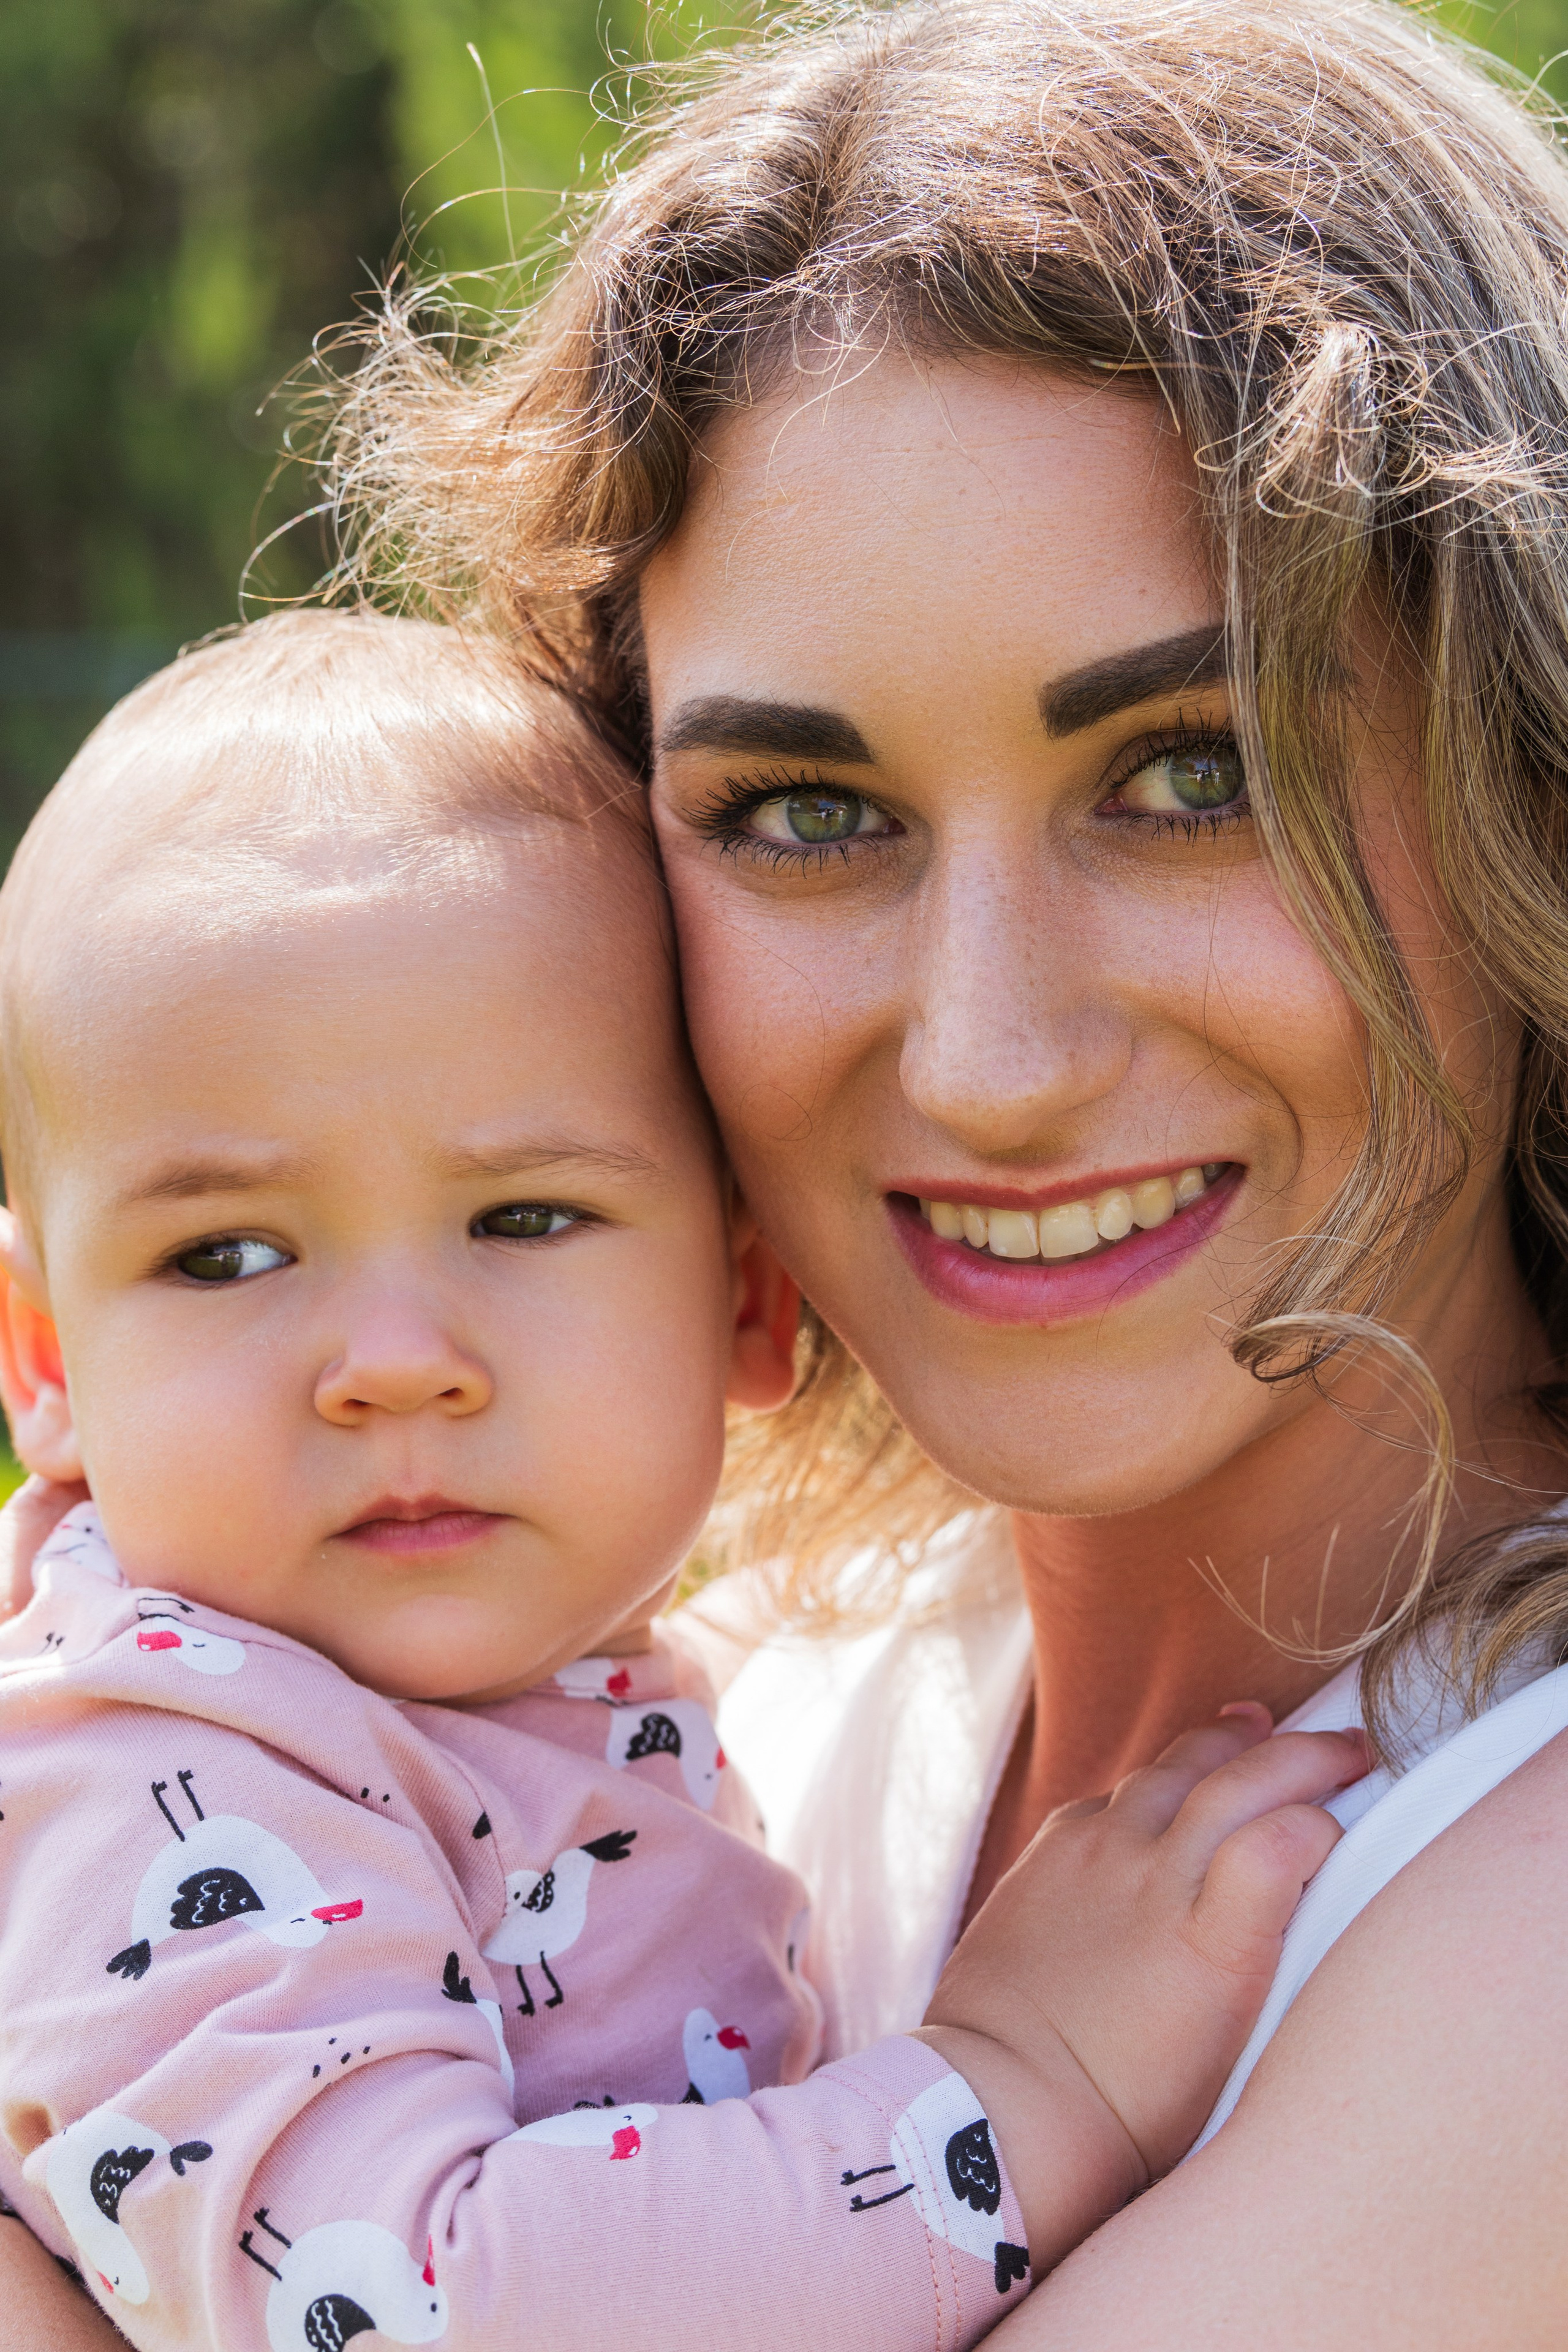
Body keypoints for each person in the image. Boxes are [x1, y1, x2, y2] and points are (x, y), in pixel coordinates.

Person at [9, 0, 1568, 2339]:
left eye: (1187, 768)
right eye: (804, 817)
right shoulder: (705, 1723)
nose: (995, 1056)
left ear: (1526, 772)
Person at [0, 609, 1363, 2352]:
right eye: (230, 1253)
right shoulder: (152, 1774)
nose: (394, 1357)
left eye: (524, 1217)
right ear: (44, 1360)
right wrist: (1023, 2081)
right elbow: (422, 2302)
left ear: (742, 1297)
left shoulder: (574, 1700)